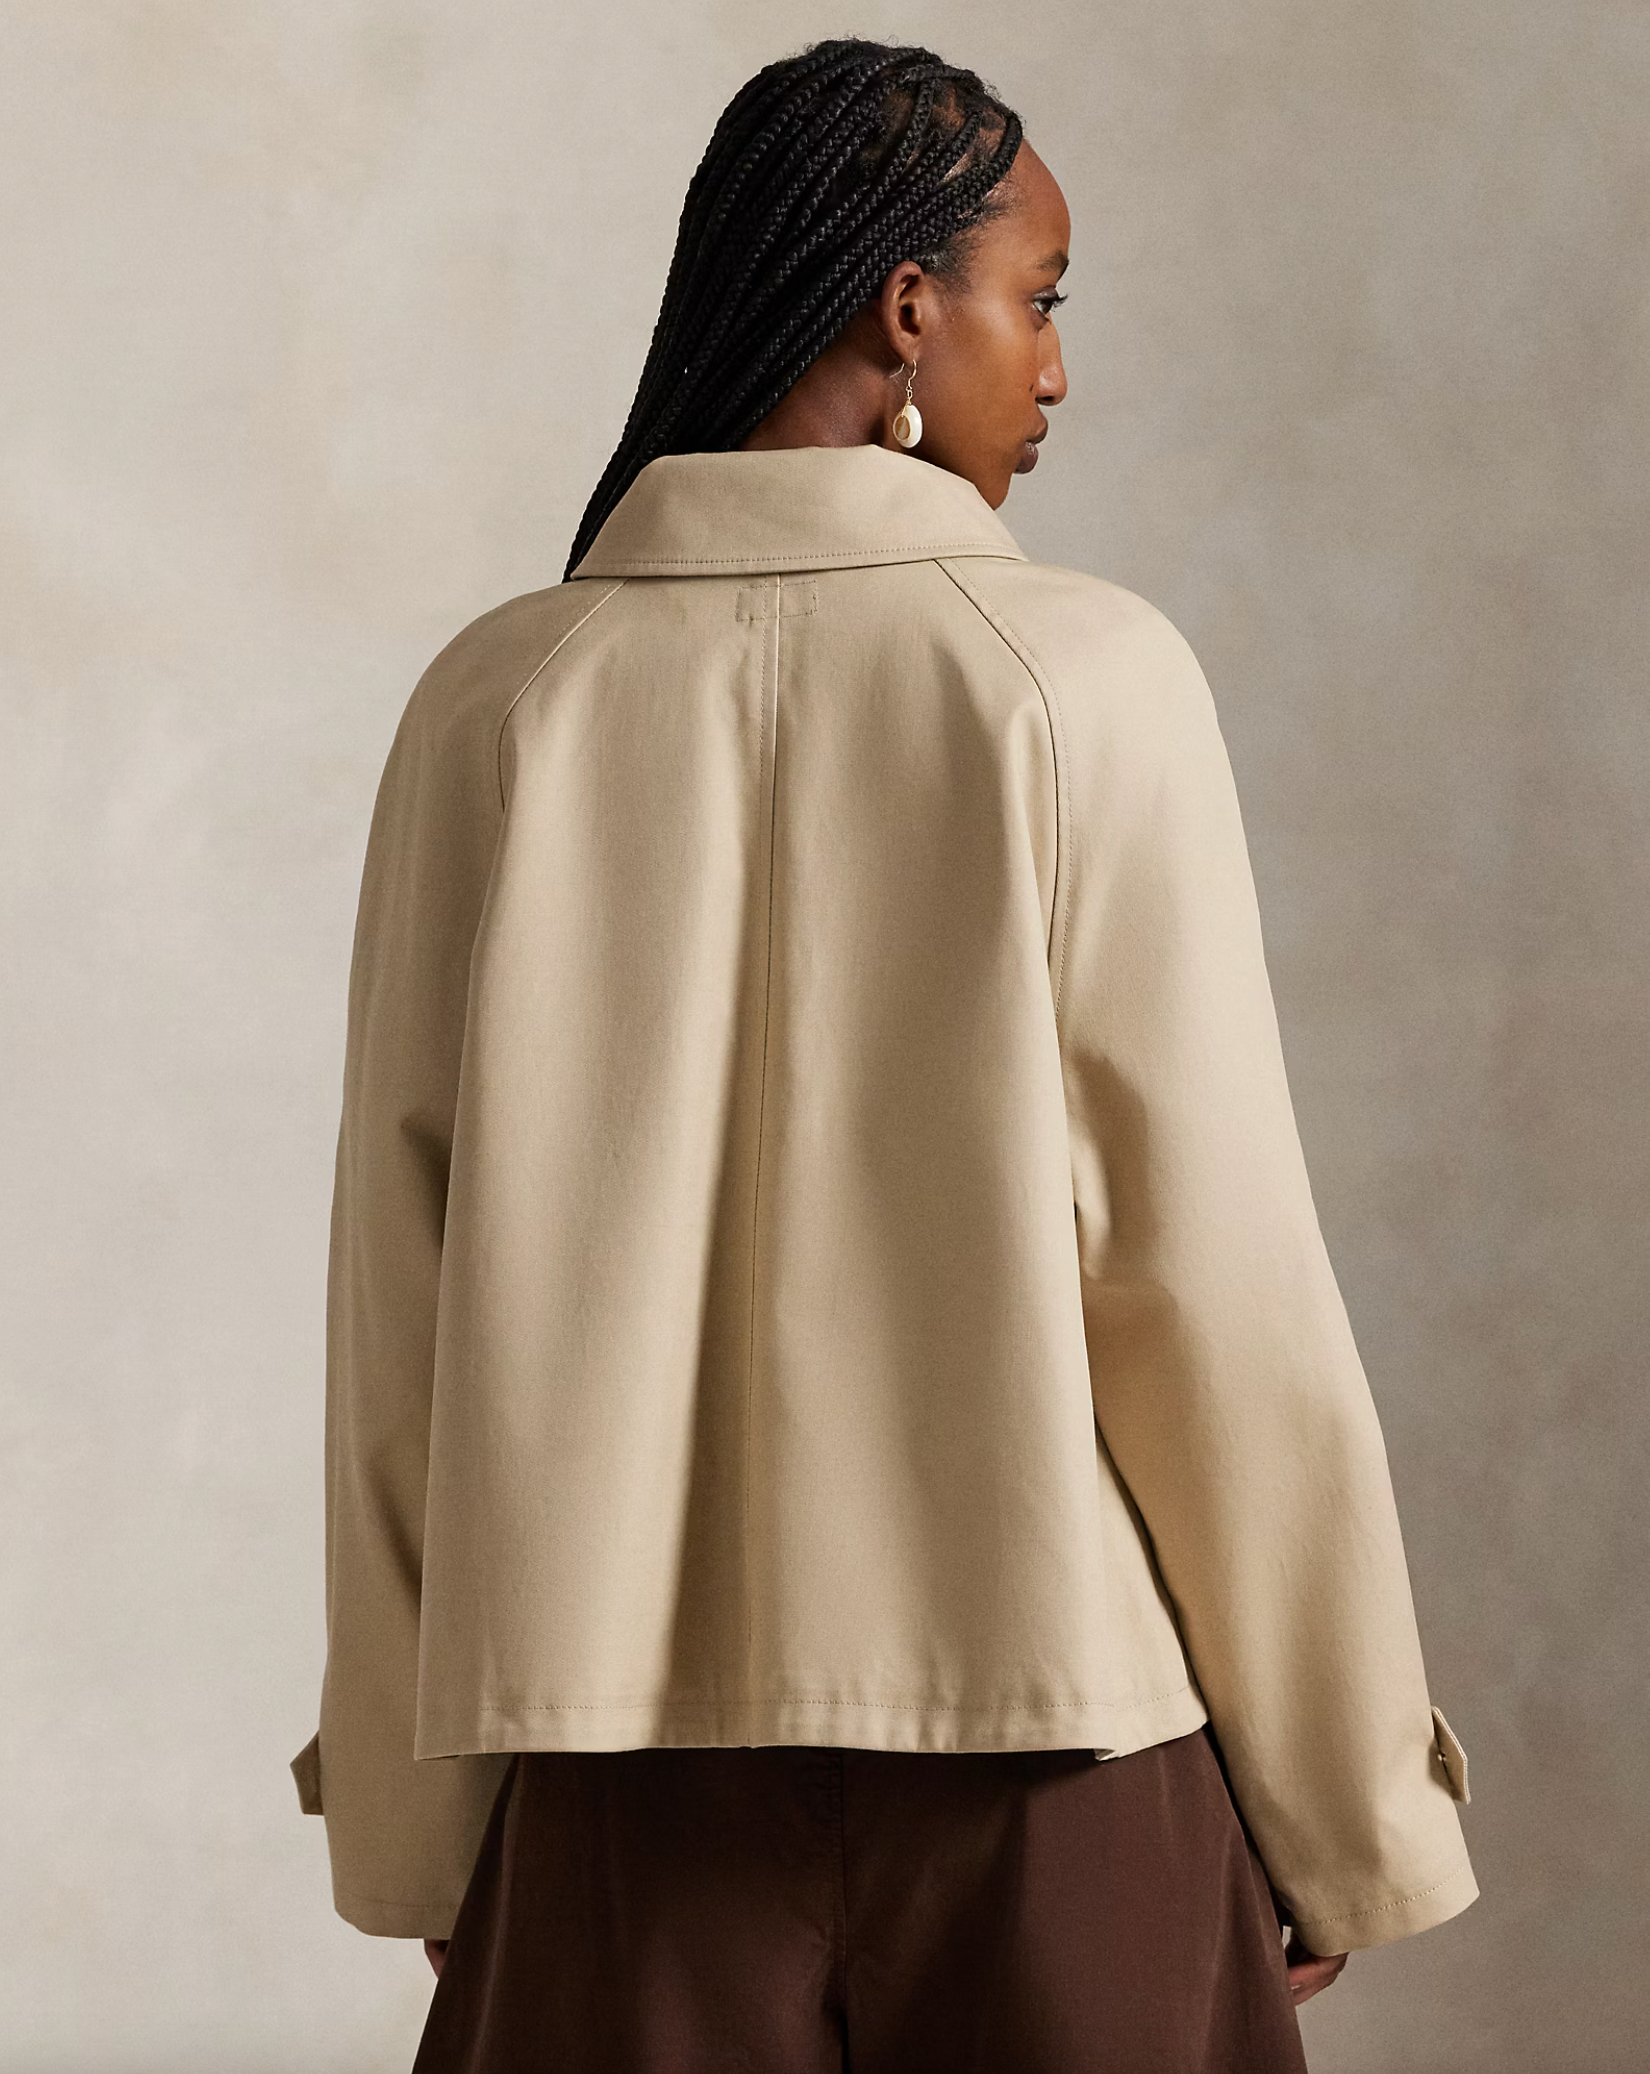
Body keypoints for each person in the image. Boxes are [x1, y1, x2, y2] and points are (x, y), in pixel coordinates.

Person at [290, 38, 1478, 2071]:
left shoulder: (498, 704)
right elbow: (1209, 1288)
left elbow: (403, 1309)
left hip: (611, 1797)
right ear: (907, 308)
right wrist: (1345, 1810)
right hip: (1064, 1775)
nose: (1058, 369)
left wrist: (420, 1827)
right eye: (1041, 297)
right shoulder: (1082, 684)